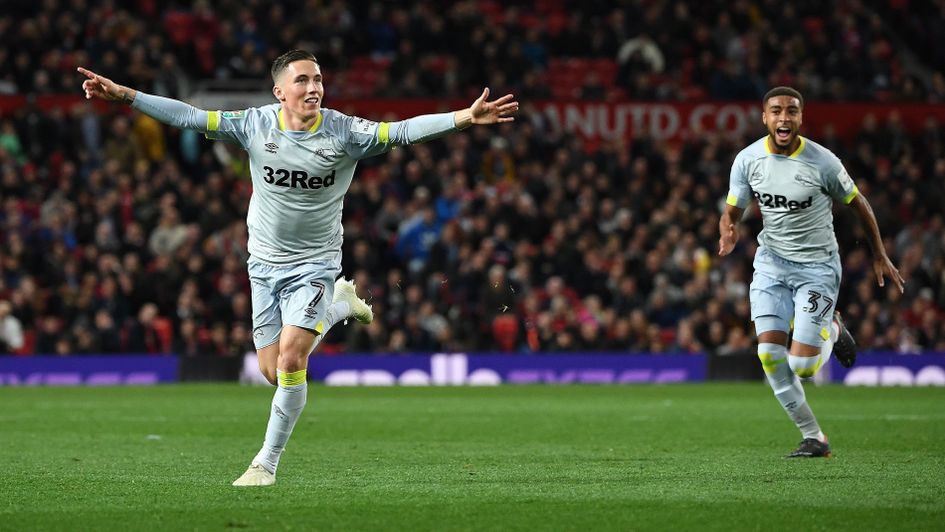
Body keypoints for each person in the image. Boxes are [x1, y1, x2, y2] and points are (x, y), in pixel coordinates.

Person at [78, 49, 518, 486]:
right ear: (280, 91)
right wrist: (126, 95)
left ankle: (264, 465)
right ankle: (341, 306)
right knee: (273, 373)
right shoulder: (254, 124)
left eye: (319, 80)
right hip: (263, 264)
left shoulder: (345, 132)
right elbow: (190, 116)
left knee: (292, 358)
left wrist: (462, 117)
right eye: (303, 80)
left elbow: (402, 132)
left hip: (315, 263)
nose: (314, 88)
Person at [718, 86, 904, 458]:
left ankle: (834, 328)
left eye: (791, 111)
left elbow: (859, 203)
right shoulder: (748, 159)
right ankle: (814, 437)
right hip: (771, 264)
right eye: (776, 111)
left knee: (802, 366)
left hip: (817, 268)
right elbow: (734, 206)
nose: (783, 117)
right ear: (764, 118)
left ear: (801, 118)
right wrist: (728, 226)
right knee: (769, 354)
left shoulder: (822, 162)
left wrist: (879, 253)